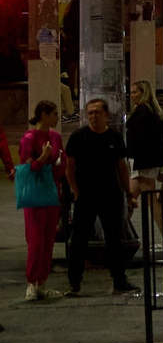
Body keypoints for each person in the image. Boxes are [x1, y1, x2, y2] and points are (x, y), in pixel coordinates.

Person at [61, 98, 137, 297]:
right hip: (86, 196)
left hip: (110, 194)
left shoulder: (114, 138)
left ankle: (119, 279)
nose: (93, 116)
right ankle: (74, 282)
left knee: (114, 238)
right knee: (79, 240)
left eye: (97, 112)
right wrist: (76, 192)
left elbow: (122, 168)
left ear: (106, 115)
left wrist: (129, 194)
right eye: (90, 112)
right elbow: (69, 169)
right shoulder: (79, 137)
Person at [16, 101, 65, 302]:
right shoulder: (29, 139)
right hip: (35, 196)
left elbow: (62, 164)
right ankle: (31, 283)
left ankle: (42, 283)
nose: (57, 118)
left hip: (51, 193)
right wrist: (43, 158)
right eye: (54, 114)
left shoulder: (55, 137)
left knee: (47, 241)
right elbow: (27, 169)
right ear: (44, 115)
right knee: (35, 241)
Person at [125, 81, 163, 242]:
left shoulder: (142, 113)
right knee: (131, 199)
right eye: (131, 93)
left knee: (149, 200)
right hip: (149, 162)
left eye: (135, 92)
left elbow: (140, 139)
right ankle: (121, 234)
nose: (132, 96)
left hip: (142, 163)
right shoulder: (155, 112)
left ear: (143, 93)